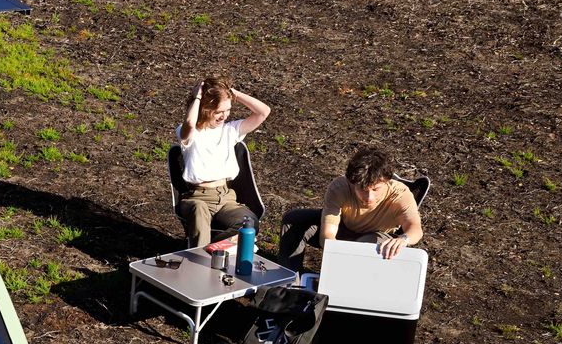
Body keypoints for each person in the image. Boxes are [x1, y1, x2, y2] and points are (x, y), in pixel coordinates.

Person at [275, 146, 424, 267]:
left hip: (376, 238)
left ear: (387, 182)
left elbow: (415, 228)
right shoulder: (339, 188)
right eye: (363, 190)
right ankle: (290, 279)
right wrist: (334, 251)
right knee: (294, 219)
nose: (369, 197)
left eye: (376, 189)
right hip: (344, 228)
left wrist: (403, 239)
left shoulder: (399, 194)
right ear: (351, 183)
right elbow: (328, 233)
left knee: (368, 245)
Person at [174, 74, 272, 248]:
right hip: (198, 197)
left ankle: (210, 250)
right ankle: (200, 261)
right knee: (199, 211)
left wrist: (233, 93)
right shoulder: (191, 134)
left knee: (248, 223)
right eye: (218, 111)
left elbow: (263, 112)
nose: (224, 116)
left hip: (226, 197)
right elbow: (190, 122)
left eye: (227, 110)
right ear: (204, 108)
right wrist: (197, 96)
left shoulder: (231, 130)